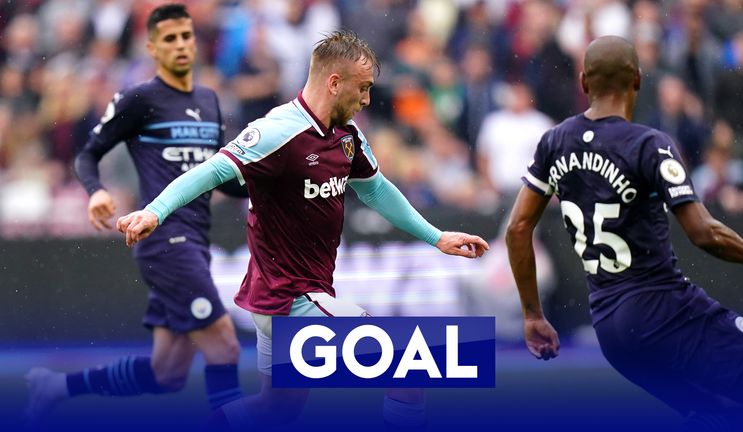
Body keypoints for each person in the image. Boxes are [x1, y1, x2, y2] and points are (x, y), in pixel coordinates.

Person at [116, 30, 490, 430]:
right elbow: (212, 171)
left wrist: (437, 237)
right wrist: (155, 212)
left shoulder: (346, 134)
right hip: (290, 298)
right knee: (408, 367)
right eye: (362, 88)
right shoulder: (279, 131)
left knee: (275, 409)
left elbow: (377, 189)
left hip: (282, 297)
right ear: (334, 82)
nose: (366, 99)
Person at [506, 35, 743, 430]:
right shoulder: (649, 144)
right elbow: (705, 234)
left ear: (582, 82)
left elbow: (518, 228)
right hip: (664, 310)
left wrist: (532, 316)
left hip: (613, 334)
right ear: (638, 80)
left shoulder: (554, 142)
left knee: (722, 415)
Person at [26, 3, 247, 423]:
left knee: (168, 373)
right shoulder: (139, 99)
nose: (180, 45)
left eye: (186, 36)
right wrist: (95, 192)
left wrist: (264, 185)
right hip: (164, 240)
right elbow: (87, 154)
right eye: (169, 39)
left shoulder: (209, 99)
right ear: (151, 47)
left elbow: (221, 176)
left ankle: (56, 386)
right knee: (225, 346)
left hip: (197, 239)